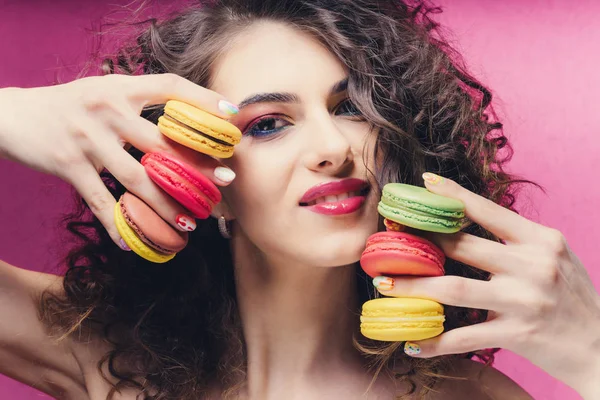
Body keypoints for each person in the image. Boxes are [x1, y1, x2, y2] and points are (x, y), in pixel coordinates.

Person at [0, 0, 598, 399]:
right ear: (202, 180)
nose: (333, 147)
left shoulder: (470, 397)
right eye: (267, 124)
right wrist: (14, 112)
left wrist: (592, 353)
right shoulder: (98, 349)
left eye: (350, 108)